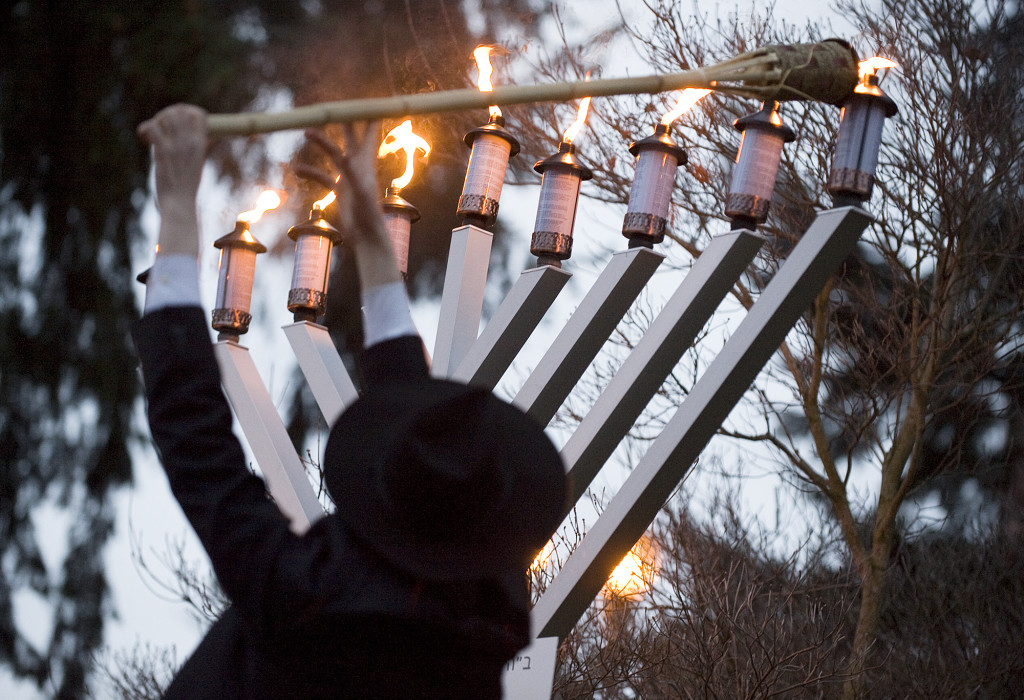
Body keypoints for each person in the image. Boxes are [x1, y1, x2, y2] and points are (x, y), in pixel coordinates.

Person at [133, 104, 567, 699]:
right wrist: (371, 240)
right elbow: (417, 435)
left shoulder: (304, 596)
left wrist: (177, 208)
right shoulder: (485, 631)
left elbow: (196, 433)